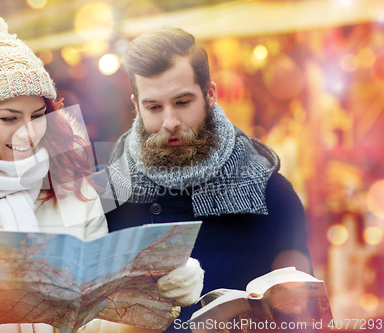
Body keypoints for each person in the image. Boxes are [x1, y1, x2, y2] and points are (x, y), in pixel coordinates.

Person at [0, 9, 203, 333]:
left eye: (37, 116)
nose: (28, 133)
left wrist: (154, 299)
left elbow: (93, 321)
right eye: (9, 119)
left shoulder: (75, 194)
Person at [100, 27, 313, 329]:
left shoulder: (270, 193)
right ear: (136, 105)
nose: (169, 122)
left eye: (183, 102)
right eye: (154, 107)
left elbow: (304, 314)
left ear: (210, 94)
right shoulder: (109, 194)